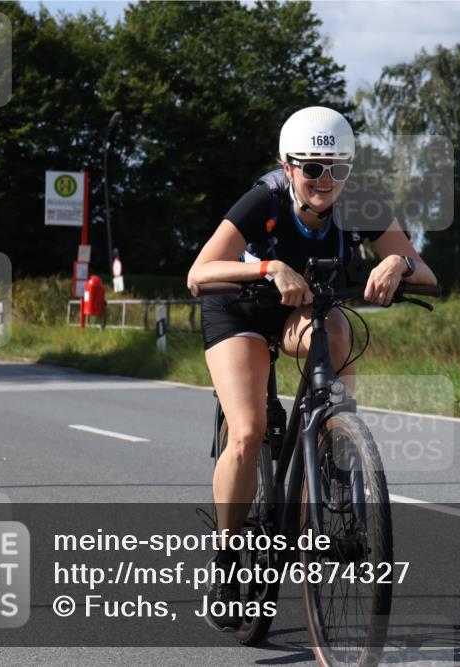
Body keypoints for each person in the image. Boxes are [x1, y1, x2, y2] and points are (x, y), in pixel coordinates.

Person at [187, 106, 436, 629]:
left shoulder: (361, 203)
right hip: (239, 308)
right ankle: (226, 560)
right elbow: (200, 272)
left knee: (340, 329)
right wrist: (268, 266)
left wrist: (399, 262)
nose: (325, 180)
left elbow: (426, 273)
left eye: (337, 169)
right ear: (287, 164)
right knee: (250, 431)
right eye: (311, 167)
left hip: (302, 309)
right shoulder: (266, 199)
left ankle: (333, 443)